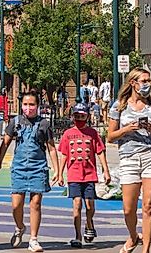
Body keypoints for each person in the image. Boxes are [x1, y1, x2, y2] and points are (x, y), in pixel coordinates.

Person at [107, 67, 151, 253]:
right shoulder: (119, 106)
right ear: (133, 83)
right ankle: (133, 236)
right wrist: (127, 129)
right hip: (129, 158)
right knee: (128, 209)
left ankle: (146, 249)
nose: (147, 85)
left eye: (148, 81)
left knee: (148, 206)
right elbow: (110, 136)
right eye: (144, 81)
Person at [0, 91, 61, 252]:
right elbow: (5, 143)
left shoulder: (44, 124)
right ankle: (19, 227)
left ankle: (34, 239)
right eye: (25, 104)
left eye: (32, 104)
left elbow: (52, 149)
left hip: (38, 168)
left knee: (35, 203)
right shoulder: (15, 122)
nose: (28, 108)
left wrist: (57, 171)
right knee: (16, 205)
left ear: (37, 106)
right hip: (19, 168)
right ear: (21, 105)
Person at [60, 103, 111, 248]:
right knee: (77, 204)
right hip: (74, 174)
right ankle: (77, 236)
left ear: (87, 116)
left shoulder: (93, 133)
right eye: (76, 116)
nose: (79, 119)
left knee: (89, 205)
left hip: (89, 174)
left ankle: (89, 223)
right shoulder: (68, 134)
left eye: (82, 116)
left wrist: (105, 170)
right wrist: (59, 173)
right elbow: (64, 154)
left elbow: (100, 151)